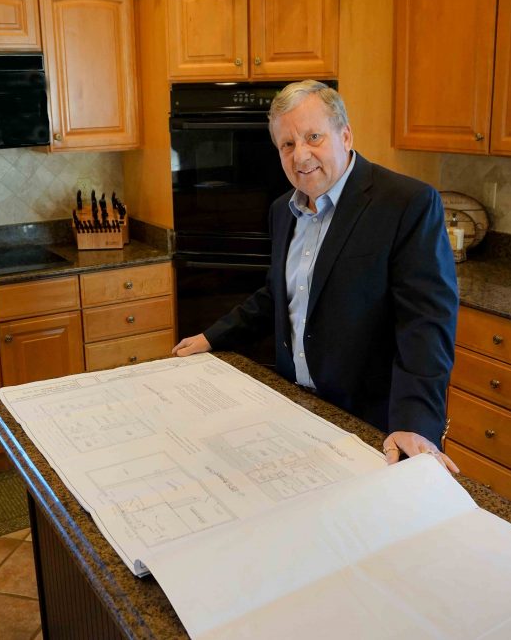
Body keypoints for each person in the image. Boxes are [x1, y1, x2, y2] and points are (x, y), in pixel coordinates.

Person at [172, 80, 459, 472]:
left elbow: (426, 325)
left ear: (345, 135)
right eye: (287, 145)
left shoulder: (407, 203)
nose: (300, 154)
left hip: (376, 425)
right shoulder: (281, 210)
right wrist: (211, 337)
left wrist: (414, 423)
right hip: (299, 409)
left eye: (313, 137)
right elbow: (279, 293)